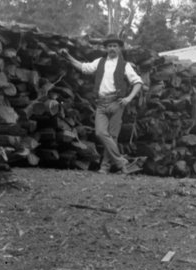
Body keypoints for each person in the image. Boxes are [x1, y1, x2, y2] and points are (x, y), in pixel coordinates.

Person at [60, 37, 143, 174]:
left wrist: (128, 98)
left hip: (117, 102)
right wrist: (68, 56)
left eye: (115, 46)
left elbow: (138, 82)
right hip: (101, 103)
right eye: (109, 46)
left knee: (113, 136)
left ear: (120, 48)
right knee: (101, 133)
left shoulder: (125, 65)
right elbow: (84, 68)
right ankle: (122, 162)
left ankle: (104, 168)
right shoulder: (99, 62)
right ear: (106, 48)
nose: (112, 48)